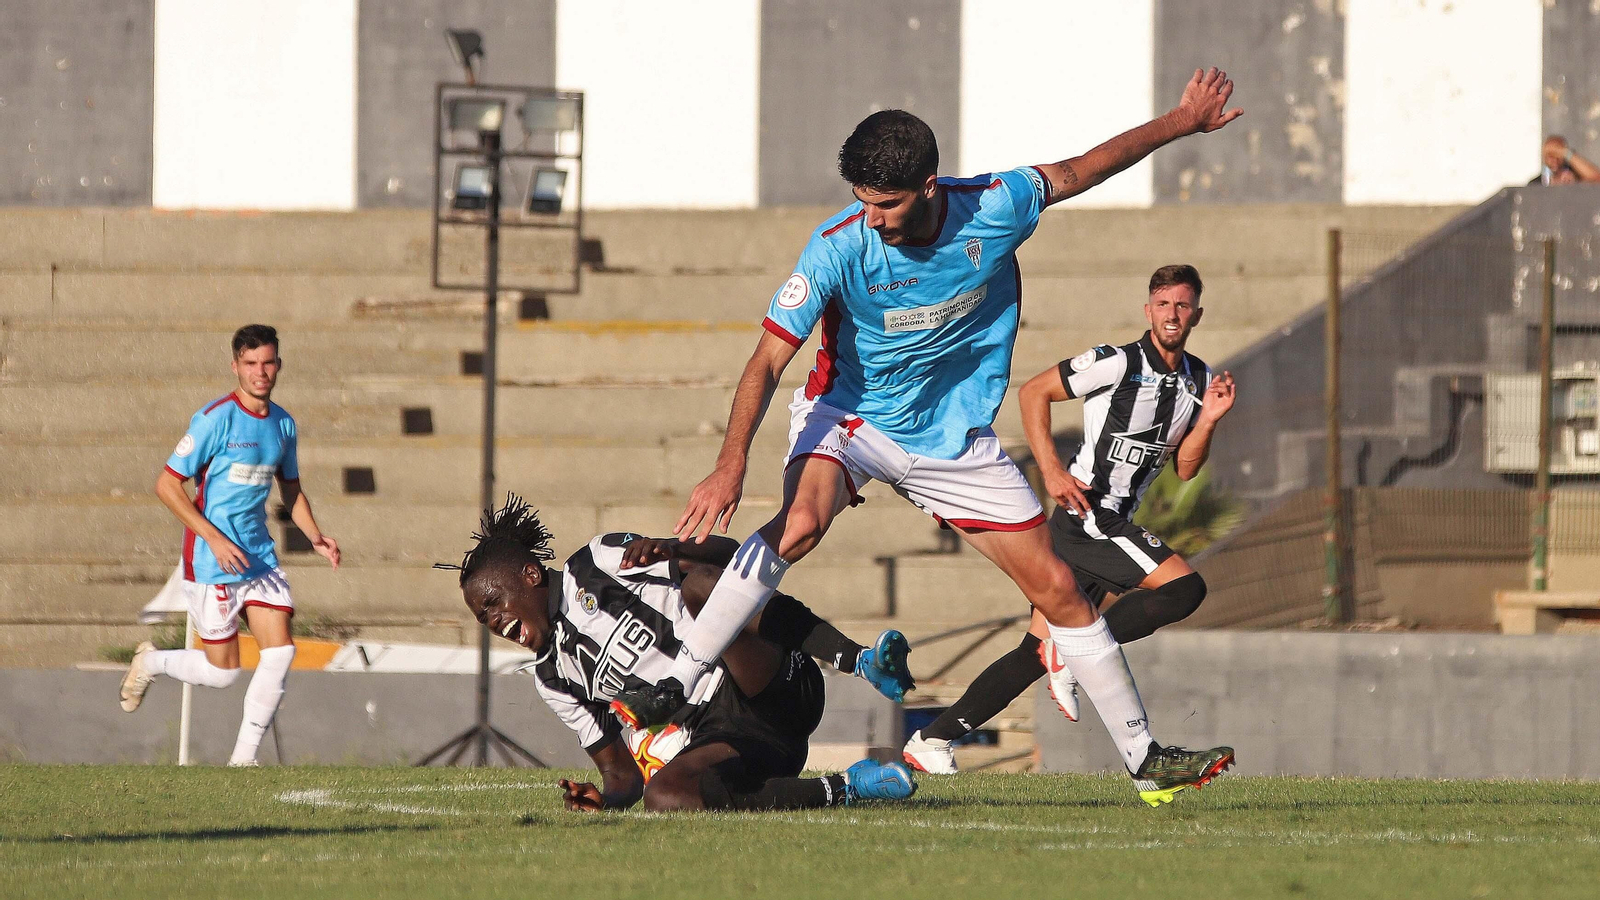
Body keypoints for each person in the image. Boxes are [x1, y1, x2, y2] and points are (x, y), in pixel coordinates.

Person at [612, 69, 1244, 806]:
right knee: (803, 523)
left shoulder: (996, 207)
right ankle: (670, 683)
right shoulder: (836, 248)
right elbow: (765, 361)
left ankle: (1147, 762)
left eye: (884, 203)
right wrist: (729, 466)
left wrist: (1181, 121)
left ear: (929, 185)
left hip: (952, 439)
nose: (870, 218)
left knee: (1060, 592)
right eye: (861, 201)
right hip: (851, 418)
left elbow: (1083, 169)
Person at [904, 265, 1236, 778]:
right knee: (1184, 590)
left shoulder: (1197, 378)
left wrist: (1210, 419)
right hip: (1089, 515)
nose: (1173, 314)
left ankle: (933, 738)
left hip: (1109, 522)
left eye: (1183, 305)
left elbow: (1186, 467)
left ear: (1197, 314)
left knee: (1034, 652)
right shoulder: (1116, 362)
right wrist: (1053, 470)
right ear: (1148, 310)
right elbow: (1033, 392)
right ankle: (1073, 647)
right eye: (1164, 304)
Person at [439, 496, 918, 811]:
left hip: (767, 682)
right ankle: (848, 789)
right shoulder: (552, 676)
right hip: (732, 742)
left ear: (529, 574)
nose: (492, 621)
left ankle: (858, 659)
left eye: (491, 604)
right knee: (664, 795)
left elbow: (734, 561)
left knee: (702, 587)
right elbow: (621, 773)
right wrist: (605, 798)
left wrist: (670, 547)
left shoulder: (596, 563)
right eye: (482, 619)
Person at [119, 324, 340, 767]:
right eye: (251, 363)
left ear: (279, 365)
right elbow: (166, 485)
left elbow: (291, 489)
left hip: (257, 557)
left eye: (269, 362)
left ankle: (242, 761)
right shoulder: (215, 418)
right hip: (211, 558)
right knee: (223, 674)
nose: (261, 372)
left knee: (280, 652)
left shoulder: (283, 424)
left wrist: (316, 536)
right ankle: (152, 661)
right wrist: (214, 538)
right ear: (235, 365)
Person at [1536, 135, 1600, 185]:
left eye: (1558, 155)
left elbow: (1596, 178)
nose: (1554, 160)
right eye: (1550, 156)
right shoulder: (1536, 183)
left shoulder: (1574, 177)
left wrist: (1566, 152)